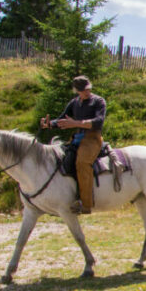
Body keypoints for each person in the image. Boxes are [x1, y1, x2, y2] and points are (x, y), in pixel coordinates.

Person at [41, 76, 107, 214]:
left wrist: (75, 123)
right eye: (84, 90)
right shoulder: (74, 103)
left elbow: (98, 122)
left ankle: (86, 204)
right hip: (77, 138)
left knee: (82, 163)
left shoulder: (98, 101)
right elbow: (63, 119)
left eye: (88, 89)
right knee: (60, 160)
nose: (87, 92)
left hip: (92, 138)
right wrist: (50, 124)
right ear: (77, 91)